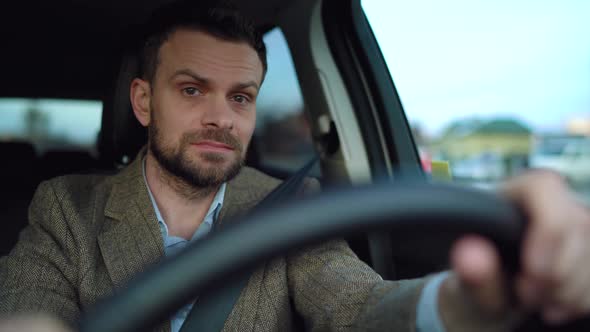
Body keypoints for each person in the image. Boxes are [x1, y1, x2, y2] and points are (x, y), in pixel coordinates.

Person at [1, 2, 590, 331]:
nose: (221, 119)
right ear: (143, 101)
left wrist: (462, 303)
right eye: (191, 90)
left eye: (240, 97)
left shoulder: (289, 204)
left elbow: (357, 305)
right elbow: (27, 306)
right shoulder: (64, 204)